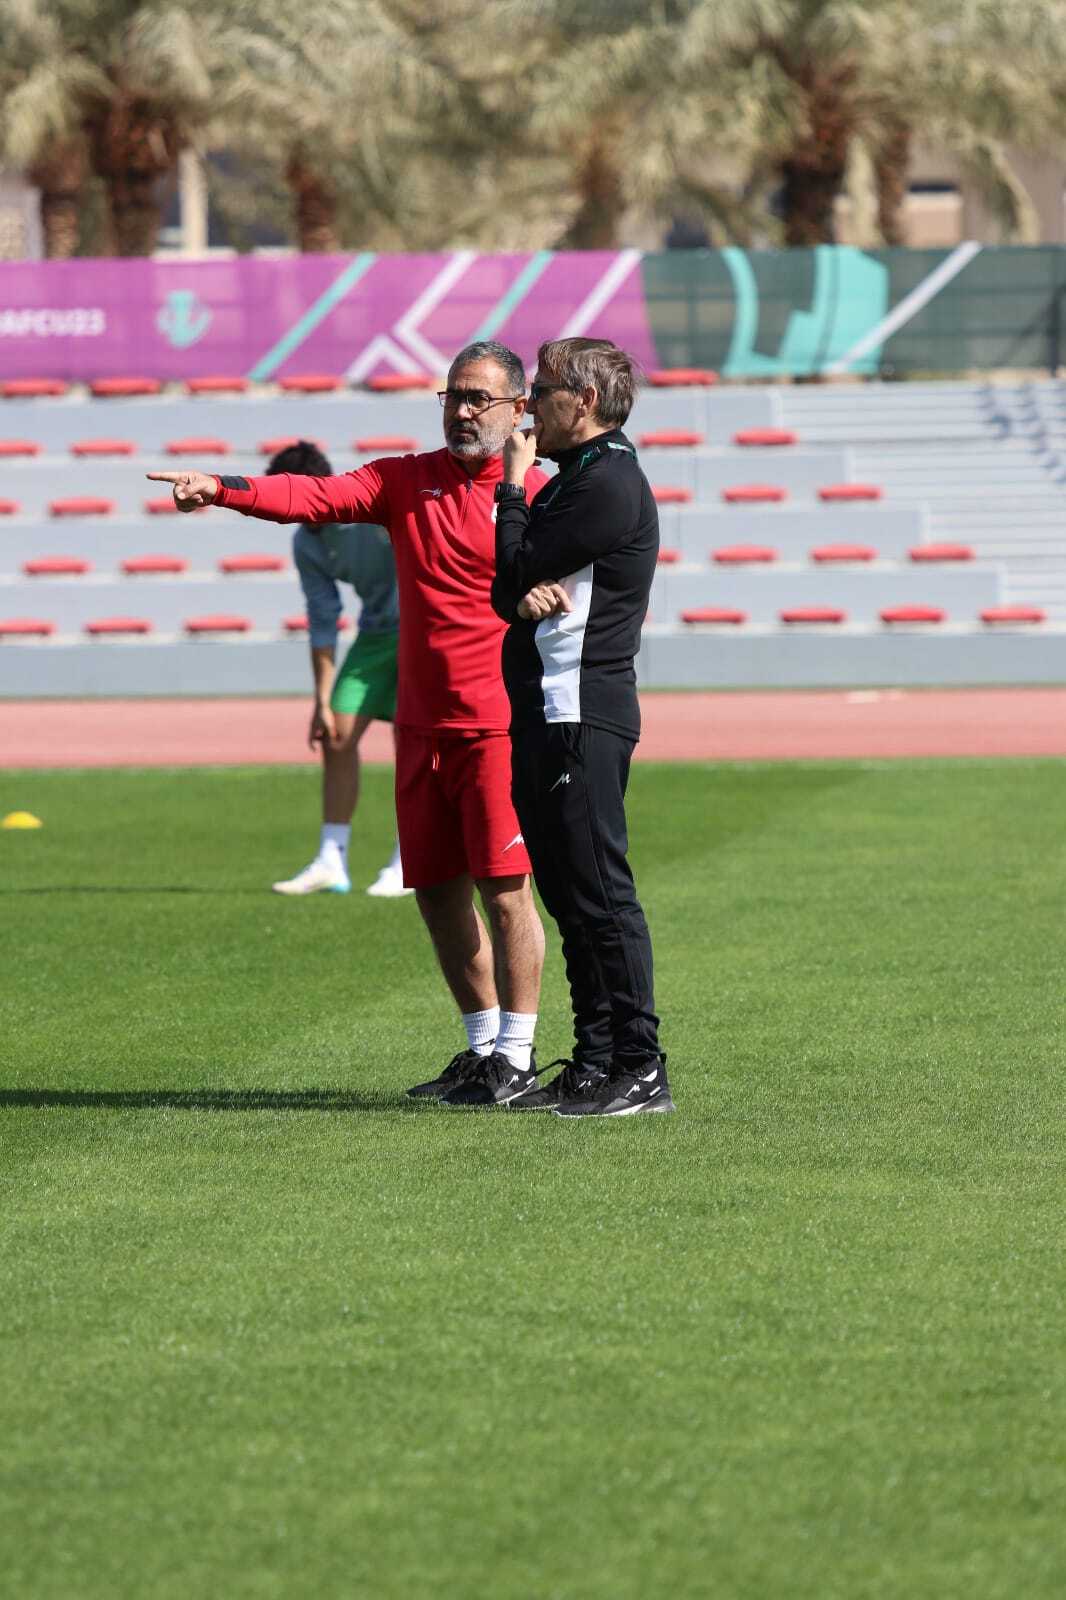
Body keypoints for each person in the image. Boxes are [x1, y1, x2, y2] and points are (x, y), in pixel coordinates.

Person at [147, 341, 549, 1105]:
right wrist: (222, 488)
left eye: (479, 398)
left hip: (497, 726)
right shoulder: (403, 479)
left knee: (505, 894)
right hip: (420, 727)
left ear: (517, 408)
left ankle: (519, 1057)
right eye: (453, 396)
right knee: (436, 893)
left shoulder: (536, 493)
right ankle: (481, 1048)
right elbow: (313, 498)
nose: (463, 411)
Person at [490, 336, 674, 1117]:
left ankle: (641, 1064)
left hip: (581, 710)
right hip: (548, 711)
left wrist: (511, 485)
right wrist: (519, 588)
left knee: (600, 894)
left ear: (585, 401)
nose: (529, 404)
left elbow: (512, 565)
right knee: (570, 899)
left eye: (543, 390)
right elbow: (509, 590)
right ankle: (596, 1061)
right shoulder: (579, 479)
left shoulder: (609, 482)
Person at [266, 440, 408, 899]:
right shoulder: (306, 541)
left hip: (426, 632)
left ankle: (409, 859)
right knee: (336, 735)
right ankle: (332, 860)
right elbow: (323, 616)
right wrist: (321, 699)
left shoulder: (369, 513)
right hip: (375, 637)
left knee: (414, 741)